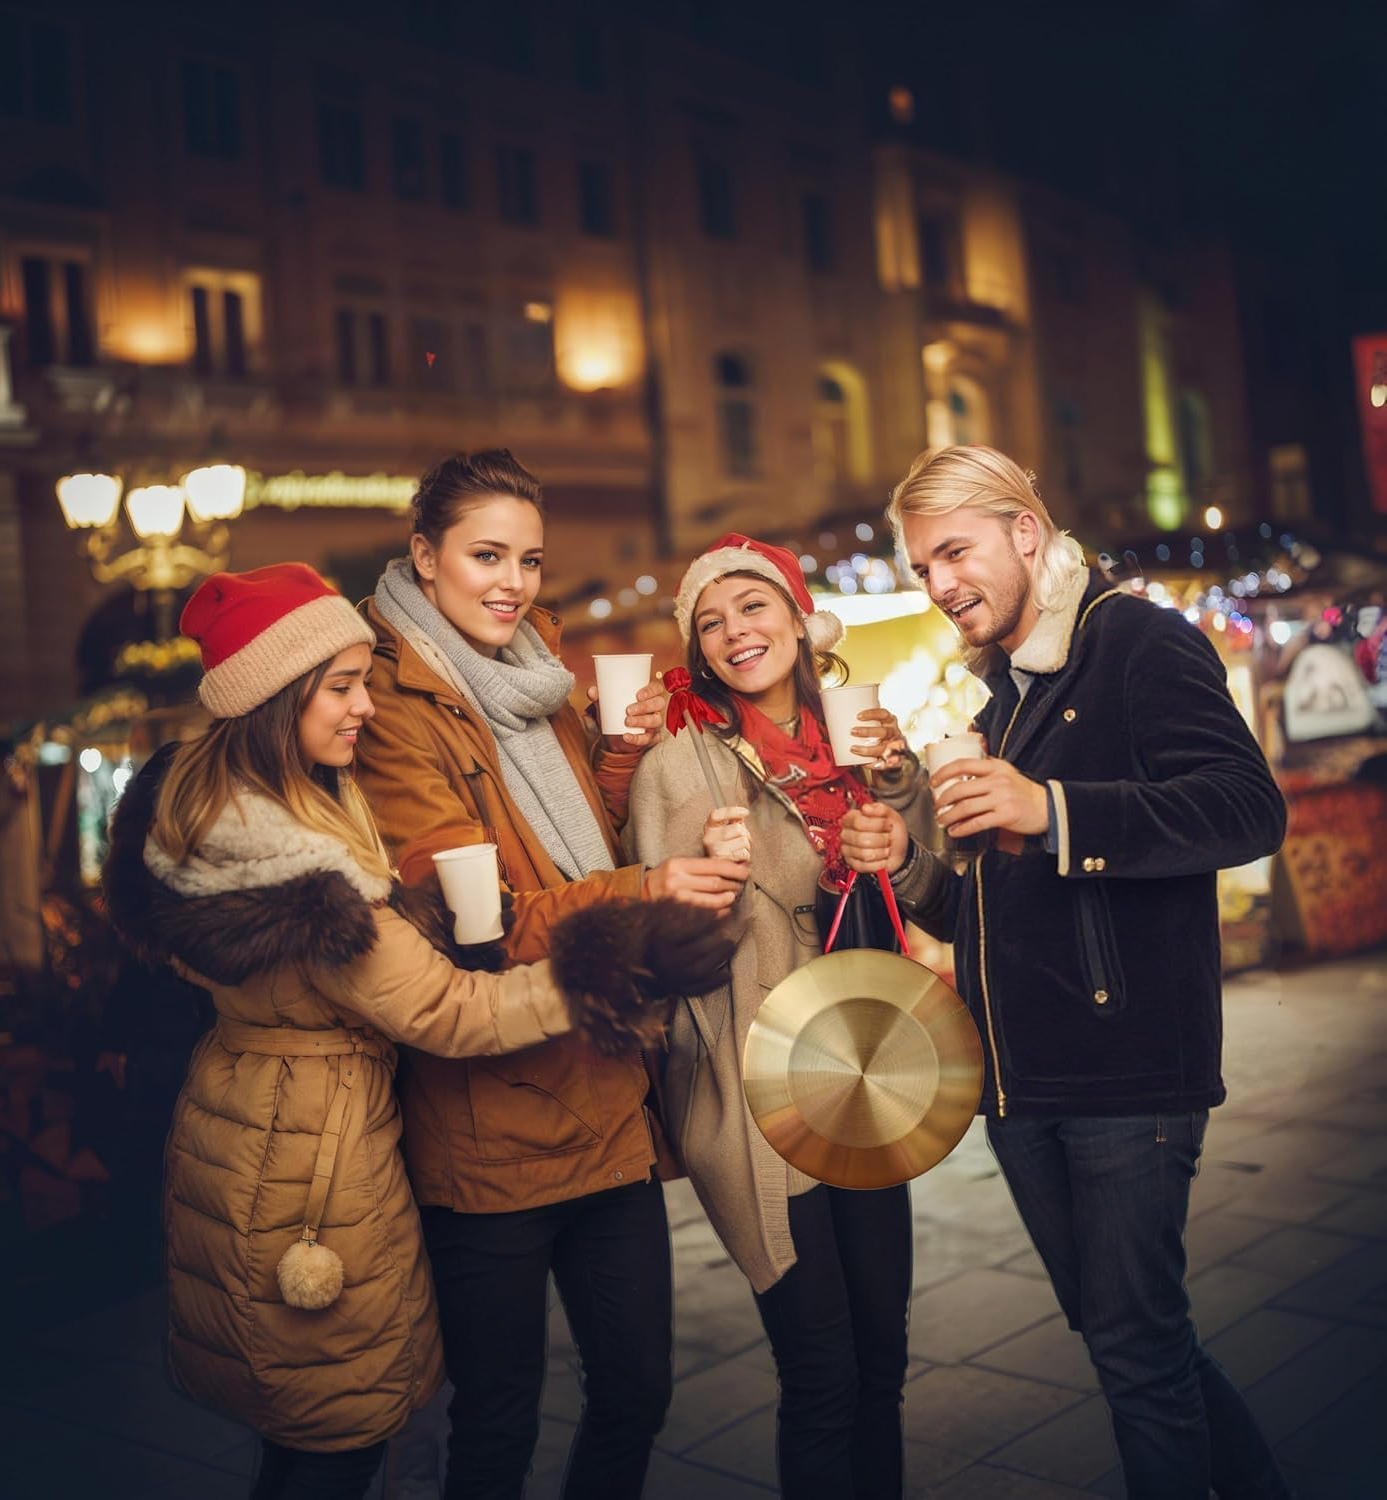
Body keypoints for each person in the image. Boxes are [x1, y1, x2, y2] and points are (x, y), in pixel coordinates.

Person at [100, 562, 733, 1500]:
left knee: (318, 1434)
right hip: (313, 1168)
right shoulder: (298, 869)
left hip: (265, 1135)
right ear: (276, 699)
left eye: (366, 681)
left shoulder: (231, 810)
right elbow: (451, 1011)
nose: (365, 708)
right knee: (339, 1434)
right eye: (342, 688)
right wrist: (617, 958)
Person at [840, 446, 1292, 1500]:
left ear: (1024, 534)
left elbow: (1247, 807)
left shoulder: (1134, 641)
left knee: (1137, 1350)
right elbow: (987, 908)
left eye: (955, 550)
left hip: (1126, 1073)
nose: (940, 582)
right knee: (1132, 1336)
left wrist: (1053, 811)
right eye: (922, 566)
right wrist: (907, 866)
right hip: (1024, 1082)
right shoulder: (1004, 698)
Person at [356, 451, 747, 1500]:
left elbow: (576, 846)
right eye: (486, 555)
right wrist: (648, 886)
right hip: (490, 1129)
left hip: (607, 1093)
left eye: (529, 559)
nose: (513, 582)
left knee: (636, 1394)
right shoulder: (391, 708)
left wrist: (624, 760)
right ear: (425, 557)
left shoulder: (535, 680)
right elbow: (471, 925)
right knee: (496, 1425)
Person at [625, 534, 927, 1500]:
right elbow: (662, 956)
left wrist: (898, 829)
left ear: (800, 619)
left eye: (752, 609)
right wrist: (702, 895)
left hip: (867, 1071)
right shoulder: (678, 766)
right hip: (759, 1088)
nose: (733, 634)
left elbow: (928, 888)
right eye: (709, 623)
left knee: (884, 1358)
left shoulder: (864, 736)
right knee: (824, 1373)